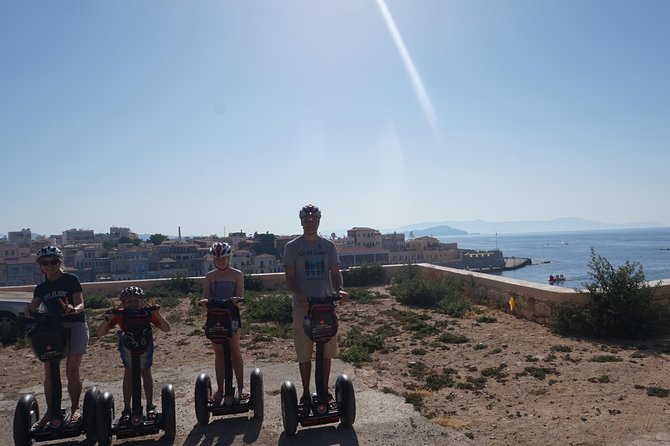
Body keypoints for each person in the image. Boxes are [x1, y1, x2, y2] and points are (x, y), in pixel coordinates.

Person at [283, 204, 348, 413]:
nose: (311, 223)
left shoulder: (328, 246)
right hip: (303, 308)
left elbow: (335, 272)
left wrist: (340, 290)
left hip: (325, 306)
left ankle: (325, 392)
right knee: (305, 352)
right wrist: (300, 294)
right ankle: (304, 393)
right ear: (301, 222)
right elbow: (290, 279)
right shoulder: (292, 247)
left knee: (326, 352)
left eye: (314, 220)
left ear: (319, 221)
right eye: (307, 220)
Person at [25, 246, 88, 428]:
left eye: (54, 261)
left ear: (60, 262)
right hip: (52, 329)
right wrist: (29, 311)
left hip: (75, 325)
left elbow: (80, 303)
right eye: (45, 263)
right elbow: (34, 306)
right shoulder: (41, 288)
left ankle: (75, 408)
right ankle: (51, 411)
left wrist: (72, 310)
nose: (50, 265)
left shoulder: (71, 280)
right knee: (50, 373)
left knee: (71, 371)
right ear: (40, 266)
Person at [96, 286, 170, 422]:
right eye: (129, 301)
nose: (133, 303)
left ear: (142, 301)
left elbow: (166, 328)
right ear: (123, 303)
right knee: (128, 373)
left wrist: (157, 313)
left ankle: (149, 406)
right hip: (127, 346)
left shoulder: (146, 313)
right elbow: (100, 333)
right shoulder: (120, 314)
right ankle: (127, 408)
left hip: (145, 345)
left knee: (146, 372)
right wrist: (108, 318)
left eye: (136, 300)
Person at [199, 242, 246, 405]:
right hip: (215, 317)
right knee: (219, 353)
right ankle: (220, 390)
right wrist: (204, 301)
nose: (219, 261)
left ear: (228, 258)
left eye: (223, 259)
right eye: (217, 259)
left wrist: (237, 301)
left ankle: (241, 389)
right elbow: (206, 295)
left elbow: (240, 296)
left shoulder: (237, 275)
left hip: (231, 316)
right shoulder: (210, 277)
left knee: (235, 352)